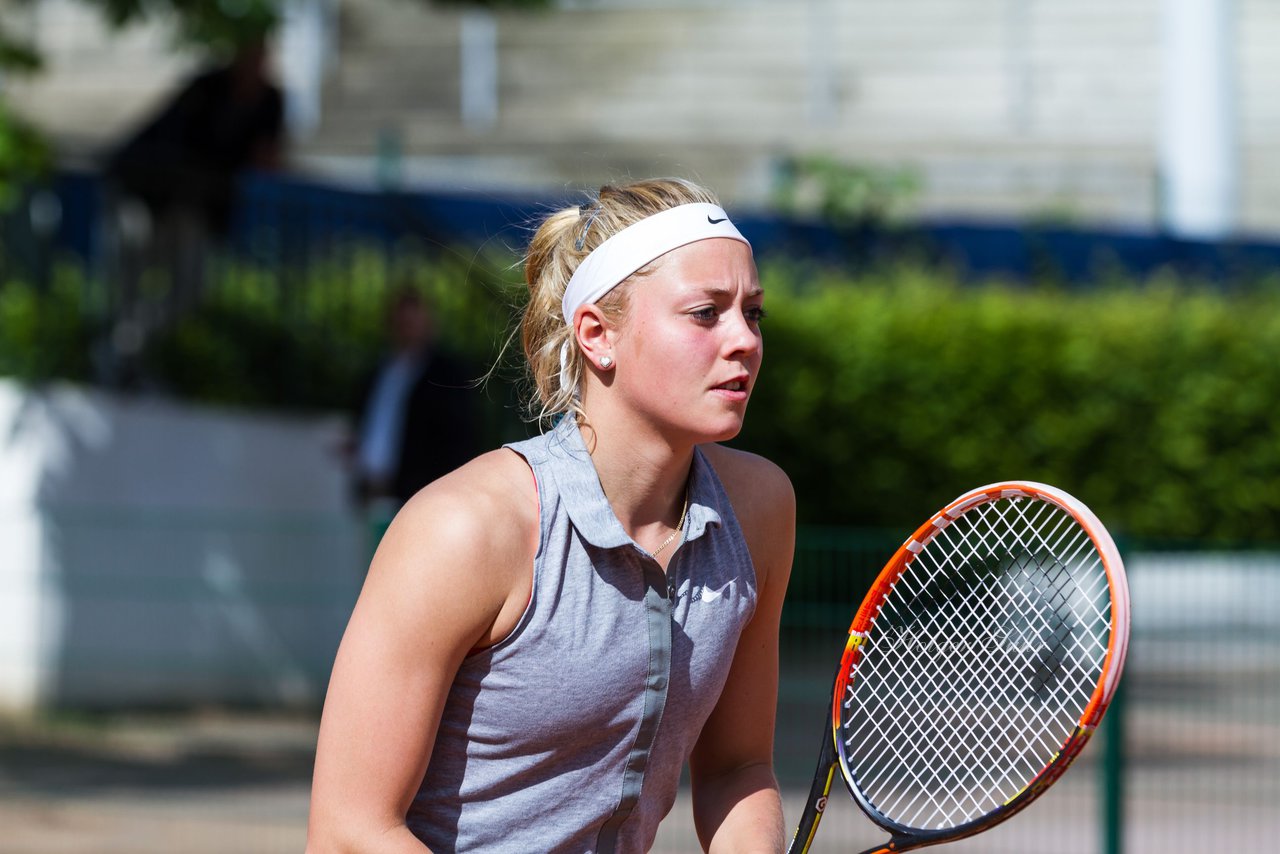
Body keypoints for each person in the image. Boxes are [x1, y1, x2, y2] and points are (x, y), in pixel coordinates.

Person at [307, 178, 796, 852]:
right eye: (706, 312)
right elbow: (347, 832)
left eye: (754, 313)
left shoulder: (761, 509)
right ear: (597, 334)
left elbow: (738, 768)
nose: (744, 340)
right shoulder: (465, 528)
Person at [350, 288, 481, 511]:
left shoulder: (445, 373)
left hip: (417, 492)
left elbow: (457, 435)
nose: (406, 329)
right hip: (372, 488)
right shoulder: (382, 369)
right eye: (401, 323)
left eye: (412, 322)